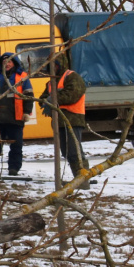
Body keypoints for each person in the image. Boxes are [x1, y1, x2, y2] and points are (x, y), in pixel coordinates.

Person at [40, 52, 91, 187]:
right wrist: (46, 101)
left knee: (75, 150)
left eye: (54, 64)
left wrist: (52, 100)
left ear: (59, 64)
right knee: (67, 151)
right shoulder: (51, 81)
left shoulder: (72, 77)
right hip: (59, 122)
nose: (52, 67)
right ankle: (78, 178)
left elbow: (72, 95)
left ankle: (83, 180)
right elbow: (42, 98)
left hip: (72, 119)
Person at [0, 53, 32, 177]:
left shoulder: (22, 77)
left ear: (14, 63)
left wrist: (26, 112)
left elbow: (29, 96)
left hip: (16, 117)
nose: (7, 64)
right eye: (4, 62)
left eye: (9, 62)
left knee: (16, 145)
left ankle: (14, 168)